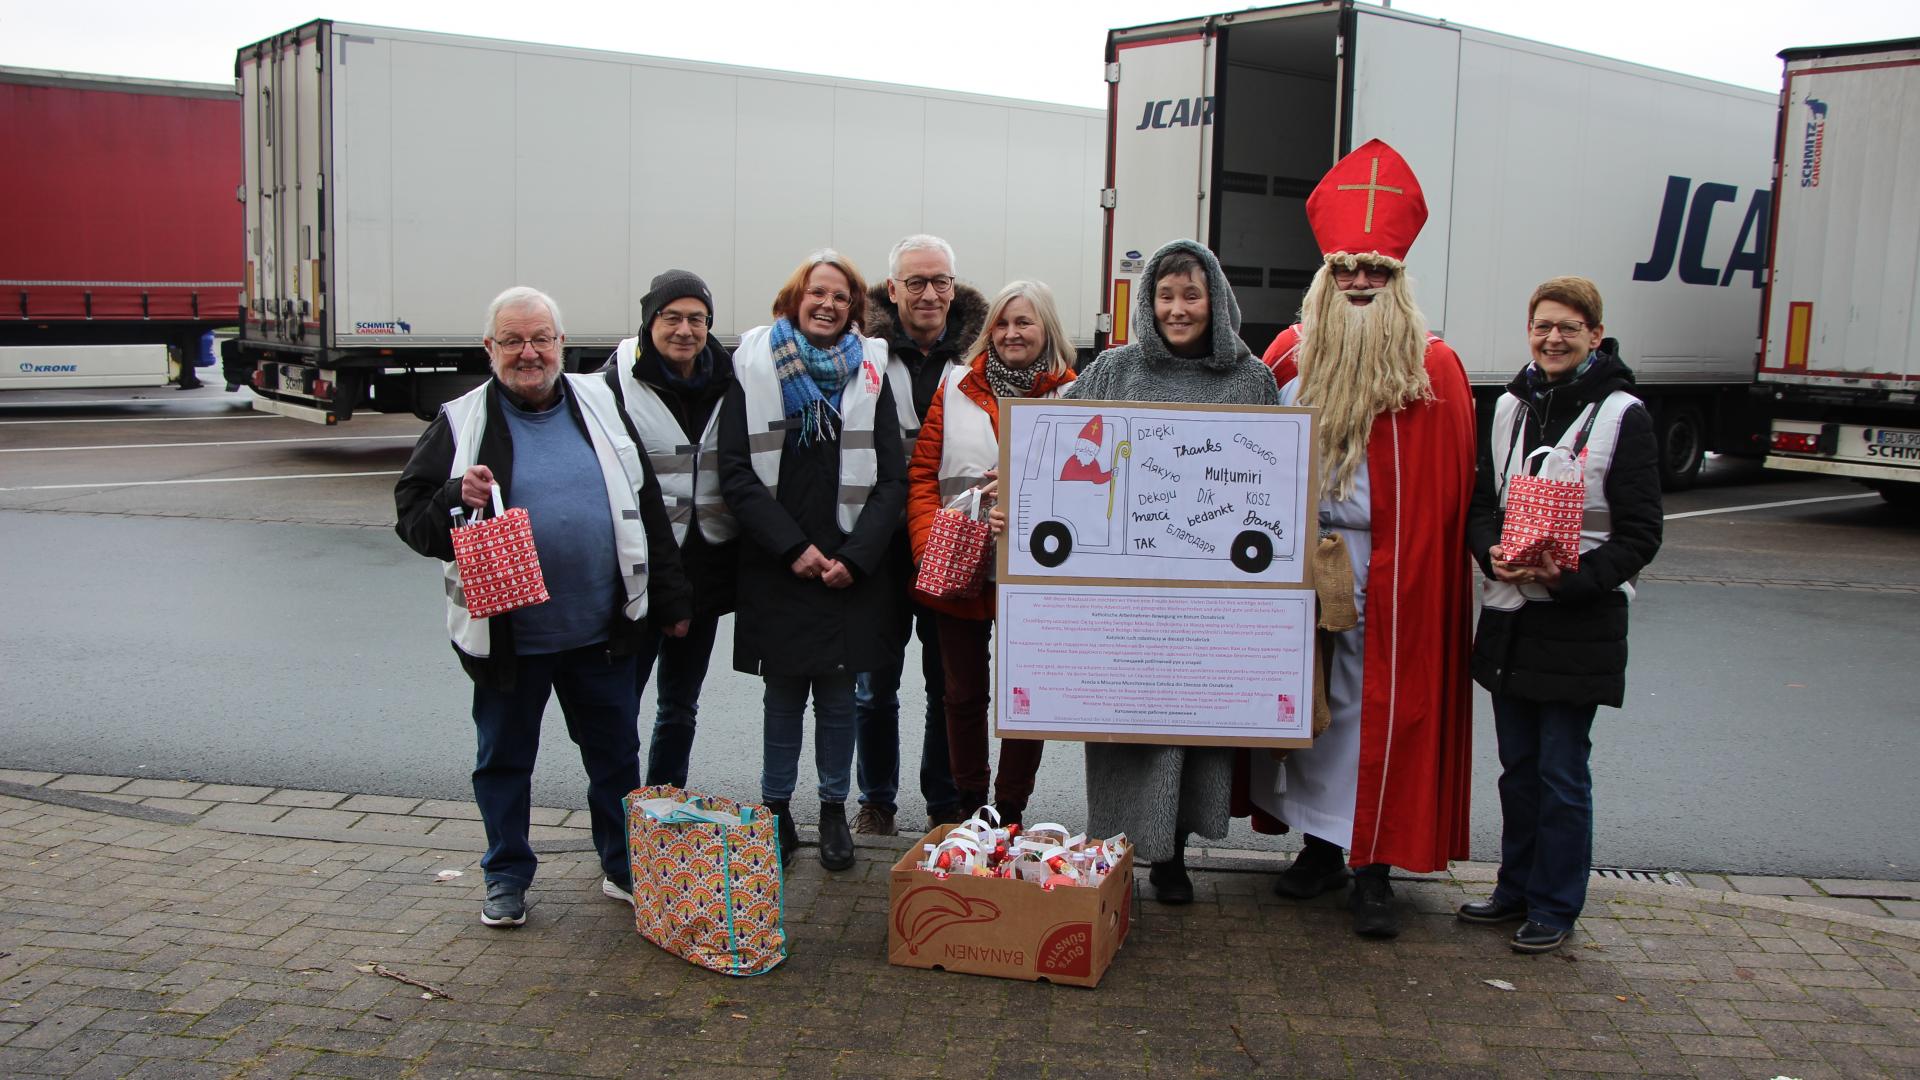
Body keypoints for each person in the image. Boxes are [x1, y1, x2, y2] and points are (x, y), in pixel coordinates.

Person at [394, 286, 692, 929]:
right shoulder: (459, 421)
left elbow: (646, 505)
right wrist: (454, 494)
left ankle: (622, 867)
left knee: (615, 758)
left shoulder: (601, 402)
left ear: (561, 343)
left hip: (602, 630)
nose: (528, 353)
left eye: (541, 339)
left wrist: (671, 598)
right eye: (512, 341)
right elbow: (412, 521)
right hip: (509, 637)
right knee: (504, 761)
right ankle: (506, 876)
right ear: (489, 348)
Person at [1239, 139, 1476, 938]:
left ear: (1399, 280)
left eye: (1376, 270)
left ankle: (1373, 866)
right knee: (1312, 707)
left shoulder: (1433, 370)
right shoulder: (1288, 358)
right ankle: (1318, 848)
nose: (1361, 282)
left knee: (1380, 711)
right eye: (1347, 270)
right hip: (1303, 563)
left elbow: (1447, 494)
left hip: (1391, 567)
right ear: (1326, 279)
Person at [1070, 239, 1281, 904]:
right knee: (1126, 726)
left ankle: (1174, 856)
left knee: (1193, 725)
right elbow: (1060, 444)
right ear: (1149, 302)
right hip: (1126, 589)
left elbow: (1278, 472)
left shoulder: (1250, 380)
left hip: (1209, 592)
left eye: (1191, 295)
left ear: (1215, 298)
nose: (1178, 308)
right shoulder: (1113, 369)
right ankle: (1121, 850)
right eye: (1166, 295)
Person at [1457, 276, 1662, 953]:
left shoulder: (1622, 415)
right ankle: (1514, 886)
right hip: (1513, 614)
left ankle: (1554, 905)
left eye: (1568, 328)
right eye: (1543, 326)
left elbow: (1640, 533)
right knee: (1517, 769)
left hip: (1579, 621)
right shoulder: (1510, 409)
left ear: (1594, 336)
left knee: (1561, 771)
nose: (1553, 338)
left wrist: (1574, 580)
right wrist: (1491, 551)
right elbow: (1482, 506)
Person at [717, 250, 908, 872]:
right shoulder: (749, 363)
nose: (828, 305)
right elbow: (736, 473)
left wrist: (855, 557)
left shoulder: (872, 372)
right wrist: (794, 550)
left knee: (838, 695)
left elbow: (891, 479)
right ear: (795, 298)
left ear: (855, 308)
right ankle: (774, 811)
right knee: (781, 696)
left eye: (841, 297)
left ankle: (832, 812)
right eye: (817, 293)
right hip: (780, 561)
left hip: (849, 565)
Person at [908, 281, 1076, 824]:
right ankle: (968, 805)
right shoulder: (954, 385)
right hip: (962, 564)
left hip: (1037, 574)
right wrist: (930, 546)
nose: (1010, 333)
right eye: (1002, 324)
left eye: (1024, 322)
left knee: (1027, 696)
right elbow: (923, 477)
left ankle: (1010, 808)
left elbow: (1091, 492)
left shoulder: (1071, 394)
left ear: (1046, 327)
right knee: (961, 695)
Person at [851, 234, 986, 835]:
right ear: (892, 289)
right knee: (873, 686)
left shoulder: (981, 357)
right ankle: (876, 800)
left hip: (952, 545)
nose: (929, 294)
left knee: (948, 687)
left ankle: (944, 803)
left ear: (954, 287)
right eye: (916, 283)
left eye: (941, 282)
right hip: (881, 546)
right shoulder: (862, 355)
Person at [598, 269, 739, 790]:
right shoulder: (612, 384)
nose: (685, 330)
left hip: (703, 569)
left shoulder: (730, 379)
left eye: (697, 319)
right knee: (621, 703)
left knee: (680, 704)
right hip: (638, 570)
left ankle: (663, 809)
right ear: (649, 322)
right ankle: (621, 813)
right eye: (672, 317)